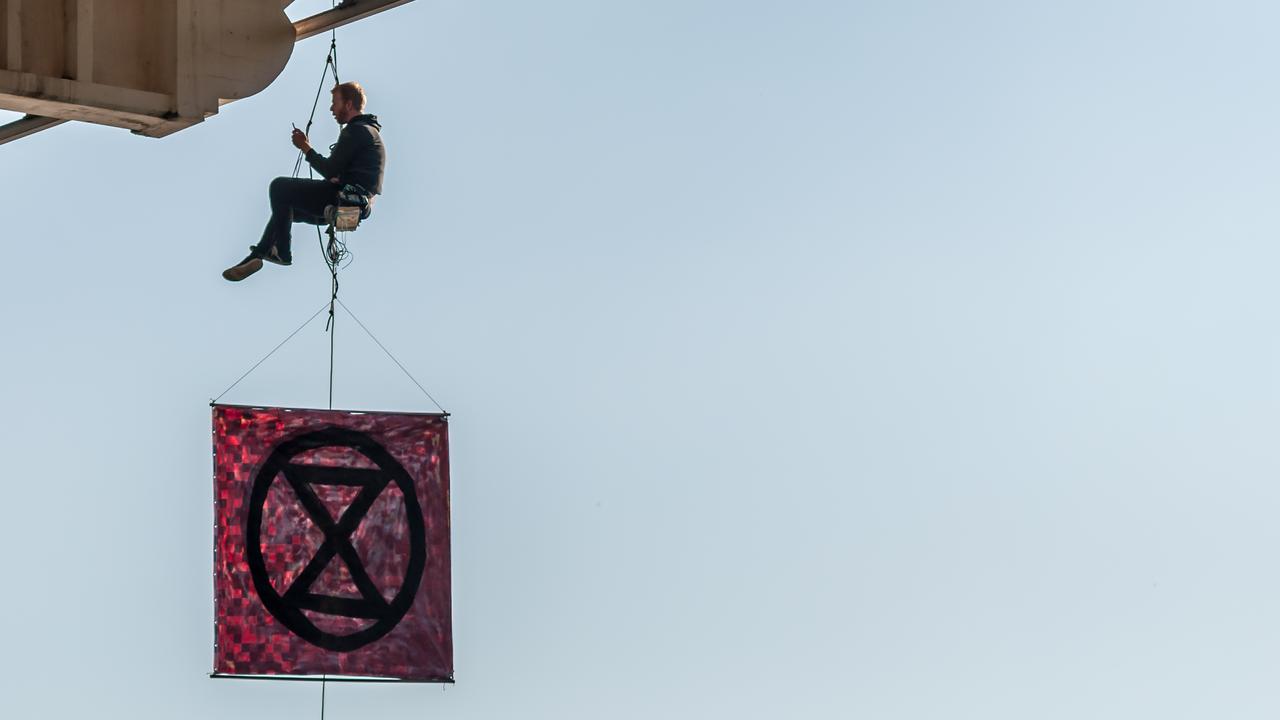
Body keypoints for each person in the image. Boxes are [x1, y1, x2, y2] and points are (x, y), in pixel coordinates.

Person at [223, 81, 386, 282]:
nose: (331, 109)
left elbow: (329, 170)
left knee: (279, 187)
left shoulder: (356, 131)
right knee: (285, 211)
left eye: (335, 102)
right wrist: (339, 176)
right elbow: (353, 173)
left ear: (349, 105)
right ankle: (260, 254)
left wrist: (305, 147)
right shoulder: (370, 133)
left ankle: (281, 251)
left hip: (342, 201)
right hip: (354, 208)